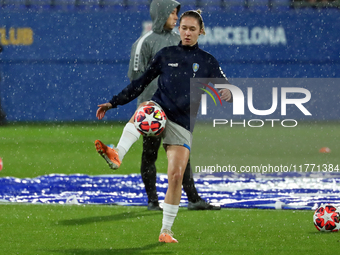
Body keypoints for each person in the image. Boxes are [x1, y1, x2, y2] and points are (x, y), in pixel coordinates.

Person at [95, 10, 232, 243]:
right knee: (146, 110)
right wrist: (113, 102)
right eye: (184, 28)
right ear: (179, 29)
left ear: (201, 31)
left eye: (192, 29)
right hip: (159, 110)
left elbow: (226, 86)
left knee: (176, 176)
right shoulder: (166, 54)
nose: (187, 33)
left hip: (182, 122)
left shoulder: (208, 61)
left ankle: (166, 231)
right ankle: (117, 153)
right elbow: (140, 83)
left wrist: (226, 92)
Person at [127, 0, 219, 211]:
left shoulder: (180, 40)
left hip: (177, 109)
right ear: (161, 14)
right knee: (150, 153)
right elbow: (135, 76)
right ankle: (153, 201)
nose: (176, 18)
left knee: (182, 154)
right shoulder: (145, 42)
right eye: (172, 13)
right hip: (152, 110)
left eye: (177, 14)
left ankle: (193, 199)